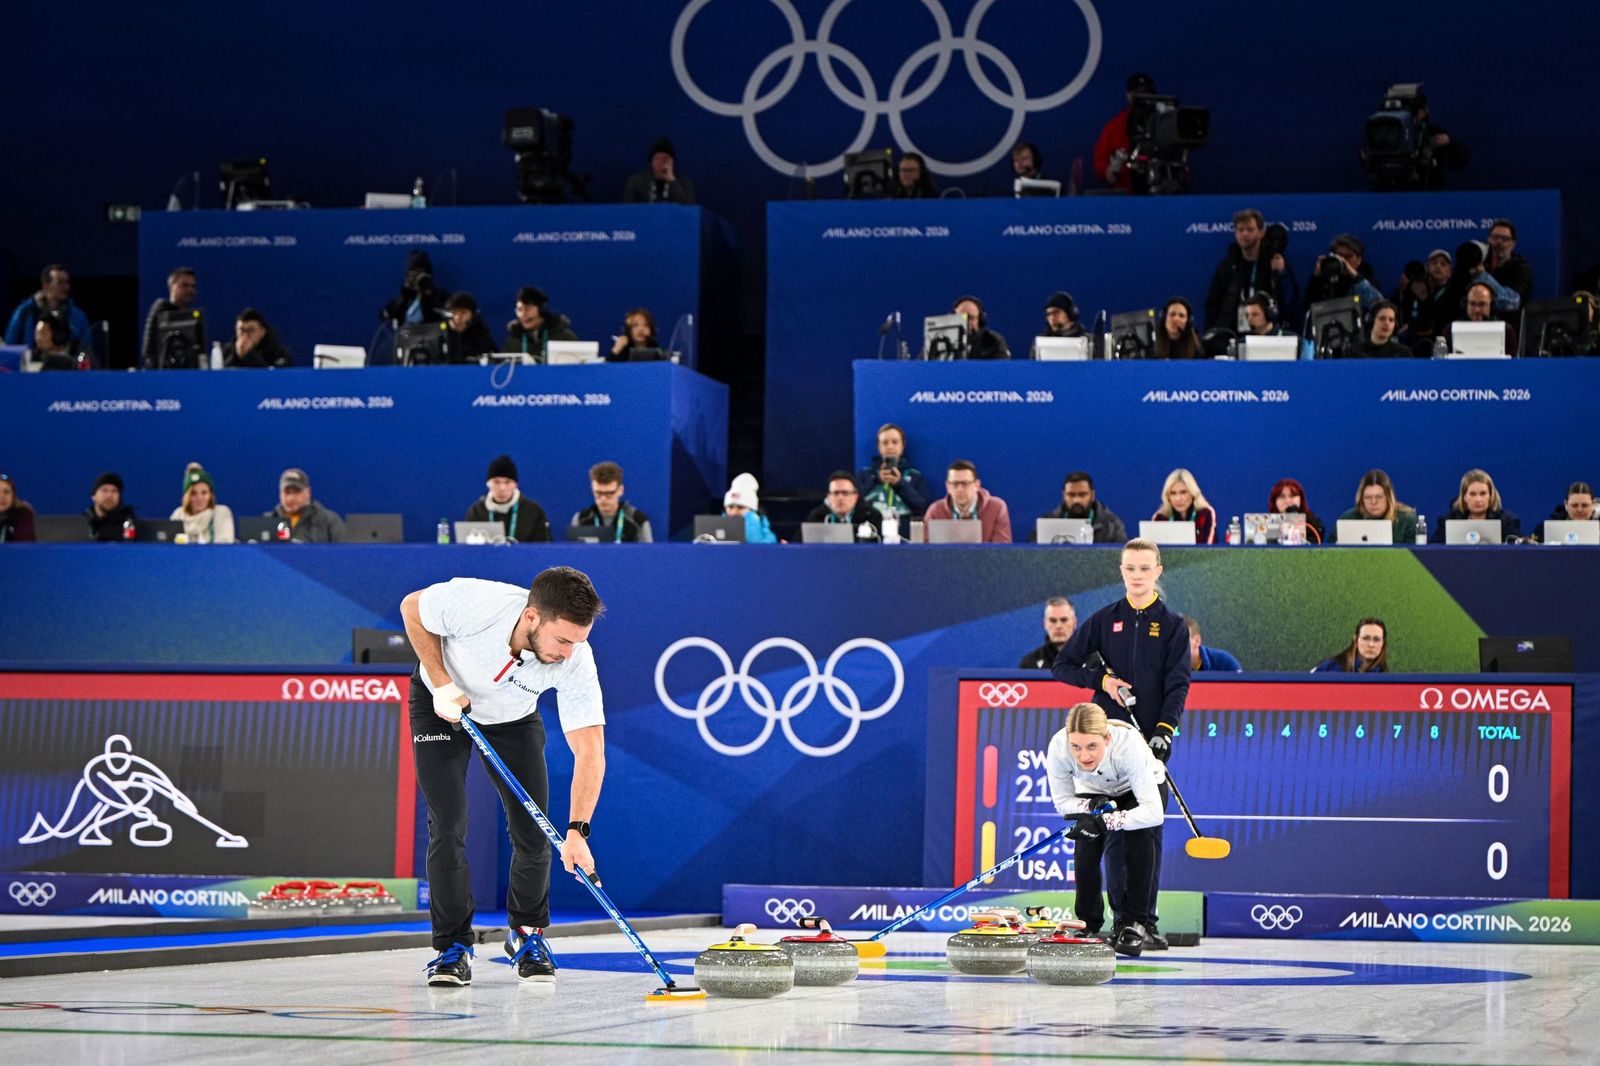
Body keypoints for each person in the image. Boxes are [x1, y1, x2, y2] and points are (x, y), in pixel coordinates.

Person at [399, 565, 607, 986]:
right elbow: (411, 608)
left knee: (535, 832)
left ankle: (528, 934)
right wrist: (440, 683)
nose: (568, 652)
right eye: (562, 639)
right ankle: (452, 946)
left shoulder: (575, 659)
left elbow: (590, 750)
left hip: (513, 720)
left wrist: (578, 831)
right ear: (532, 617)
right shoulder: (480, 604)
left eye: (577, 642)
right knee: (449, 823)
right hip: (442, 702)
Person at [1052, 538, 1190, 953]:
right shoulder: (1103, 619)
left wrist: (1164, 730)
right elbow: (1063, 667)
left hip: (1148, 742)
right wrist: (1102, 682)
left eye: (1145, 569)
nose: (1137, 576)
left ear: (1158, 571)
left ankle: (1143, 921)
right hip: (1106, 742)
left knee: (1146, 831)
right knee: (1106, 834)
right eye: (1130, 568)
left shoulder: (1172, 625)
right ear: (1122, 571)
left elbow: (1177, 683)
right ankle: (1109, 921)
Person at [1046, 703, 1166, 956]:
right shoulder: (1058, 747)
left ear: (1107, 738)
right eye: (1076, 747)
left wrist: (1109, 821)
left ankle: (1134, 922)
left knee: (1139, 839)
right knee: (1085, 846)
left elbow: (1153, 813)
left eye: (1092, 746)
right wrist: (1090, 806)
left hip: (1138, 791)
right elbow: (1062, 802)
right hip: (1096, 792)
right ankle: (1088, 924)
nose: (1083, 756)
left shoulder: (1129, 746)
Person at [1204, 209, 1299, 332]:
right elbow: (1213, 305)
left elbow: (1290, 303)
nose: (1244, 234)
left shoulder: (1275, 263)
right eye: (1240, 230)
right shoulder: (1227, 266)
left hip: (1268, 334)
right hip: (1233, 334)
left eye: (1250, 229)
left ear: (1261, 232)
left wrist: (1282, 273)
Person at [6, 263, 93, 357]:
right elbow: (10, 347)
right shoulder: (24, 312)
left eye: (67, 282)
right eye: (60, 282)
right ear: (45, 284)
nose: (66, 287)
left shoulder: (78, 316)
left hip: (67, 369)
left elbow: (85, 351)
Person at [466, 455, 552, 543]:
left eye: (507, 482)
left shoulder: (534, 512)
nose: (502, 488)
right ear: (488, 483)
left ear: (515, 484)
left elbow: (544, 547)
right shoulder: (476, 511)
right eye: (496, 482)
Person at [1093, 73, 1156, 192]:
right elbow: (1100, 160)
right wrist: (1107, 171)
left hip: (1159, 194)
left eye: (1146, 93)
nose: (1141, 97)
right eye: (1137, 93)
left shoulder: (1163, 124)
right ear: (1128, 95)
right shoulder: (1115, 126)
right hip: (1126, 195)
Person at [923, 459, 1012, 543]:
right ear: (948, 486)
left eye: (965, 483)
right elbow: (925, 550)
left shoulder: (997, 508)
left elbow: (1002, 551)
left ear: (977, 485)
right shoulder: (935, 511)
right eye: (955, 484)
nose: (960, 489)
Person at [856, 423, 931, 519]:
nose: (890, 446)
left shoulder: (915, 476)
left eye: (895, 442)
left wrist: (899, 484)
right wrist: (876, 480)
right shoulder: (865, 474)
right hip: (872, 527)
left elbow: (922, 507)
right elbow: (853, 502)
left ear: (902, 446)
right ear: (879, 446)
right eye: (885, 443)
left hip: (904, 529)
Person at [569, 461, 652, 542]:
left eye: (609, 494)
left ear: (621, 490)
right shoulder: (581, 519)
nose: (603, 499)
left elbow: (648, 554)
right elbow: (572, 554)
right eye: (598, 493)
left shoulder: (637, 520)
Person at [1430, 468, 1521, 542]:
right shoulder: (1448, 521)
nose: (1478, 499)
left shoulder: (1507, 522)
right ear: (1464, 496)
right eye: (1472, 494)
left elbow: (1516, 553)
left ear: (1490, 495)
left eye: (1483, 493)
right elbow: (1435, 550)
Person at [1036, 471, 1128, 544]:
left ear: (1092, 495)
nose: (1077, 500)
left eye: (1082, 494)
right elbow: (1032, 558)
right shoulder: (1046, 523)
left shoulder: (1112, 525)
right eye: (1071, 495)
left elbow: (1121, 560)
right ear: (1064, 495)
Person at [1332, 469, 1418, 543]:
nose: (1373, 502)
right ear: (1361, 499)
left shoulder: (1407, 520)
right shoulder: (1347, 520)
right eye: (1368, 497)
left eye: (1379, 497)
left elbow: (1416, 556)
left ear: (1389, 498)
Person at [141, 267, 204, 369]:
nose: (190, 290)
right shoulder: (160, 307)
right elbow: (148, 351)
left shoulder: (194, 317)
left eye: (193, 286)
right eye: (184, 285)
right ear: (171, 287)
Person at [1303, 234, 1383, 311]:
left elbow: (1379, 305)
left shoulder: (1367, 280)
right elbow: (1310, 307)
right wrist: (1317, 277)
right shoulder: (1326, 279)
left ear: (1359, 260)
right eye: (1339, 256)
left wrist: (1355, 277)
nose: (1343, 260)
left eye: (1348, 257)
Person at [265, 467, 345, 543]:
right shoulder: (267, 522)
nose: (291, 498)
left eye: (296, 492)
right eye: (287, 492)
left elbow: (343, 553)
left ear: (308, 492)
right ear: (280, 494)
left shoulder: (329, 521)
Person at [803, 472, 882, 542]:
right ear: (829, 497)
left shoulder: (872, 516)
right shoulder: (817, 517)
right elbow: (799, 545)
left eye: (845, 493)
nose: (840, 498)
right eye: (836, 493)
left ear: (855, 496)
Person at [504, 286, 579, 361]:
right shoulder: (513, 340)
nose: (523, 315)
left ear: (542, 310)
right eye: (519, 309)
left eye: (528, 309)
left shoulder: (564, 337)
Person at [1445, 281, 1519, 356]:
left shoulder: (1507, 331)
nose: (1477, 310)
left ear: (1492, 305)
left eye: (1482, 304)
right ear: (1465, 304)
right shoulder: (1450, 330)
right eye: (1472, 304)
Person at [169, 463, 235, 544]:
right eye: (193, 493)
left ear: (210, 495)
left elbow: (224, 547)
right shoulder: (178, 514)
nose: (199, 498)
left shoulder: (221, 513)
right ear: (187, 497)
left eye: (204, 493)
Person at [381, 250, 450, 326]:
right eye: (414, 274)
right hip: (406, 336)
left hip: (434, 336)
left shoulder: (442, 296)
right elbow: (385, 316)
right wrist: (405, 293)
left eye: (421, 273)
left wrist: (429, 293)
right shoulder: (403, 299)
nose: (418, 278)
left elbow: (447, 314)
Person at [622, 136, 695, 204]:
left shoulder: (684, 183)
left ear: (673, 163)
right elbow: (628, 210)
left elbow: (689, 210)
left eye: (666, 159)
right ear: (651, 162)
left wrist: (671, 180)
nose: (661, 163)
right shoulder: (636, 183)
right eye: (657, 159)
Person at [1151, 468, 1216, 543]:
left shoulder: (1206, 513)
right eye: (1173, 493)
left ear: (1193, 493)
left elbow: (1209, 550)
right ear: (1168, 496)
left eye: (1183, 492)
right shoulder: (1160, 517)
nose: (1178, 499)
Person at [222, 308, 292, 368]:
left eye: (251, 330)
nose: (245, 335)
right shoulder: (227, 351)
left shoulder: (277, 352)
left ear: (262, 332)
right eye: (241, 330)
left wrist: (249, 355)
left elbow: (274, 378)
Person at [1313, 617, 1388, 673]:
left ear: (1383, 643)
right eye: (1365, 638)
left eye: (1377, 639)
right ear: (1355, 640)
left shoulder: (1386, 678)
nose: (1371, 644)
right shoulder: (1330, 667)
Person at [1485, 219, 1533, 306]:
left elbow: (1514, 301)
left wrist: (1482, 276)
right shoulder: (1479, 263)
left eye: (1505, 239)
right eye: (1495, 237)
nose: (1499, 242)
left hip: (1509, 318)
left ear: (1513, 244)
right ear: (1489, 240)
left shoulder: (1521, 269)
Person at [1019, 597, 1075, 669]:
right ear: (1045, 624)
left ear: (1074, 622)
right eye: (1053, 621)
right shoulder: (1029, 663)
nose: (1058, 626)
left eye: (1064, 620)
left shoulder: (1091, 660)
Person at [722, 472, 778, 543]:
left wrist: (751, 520)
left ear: (751, 510)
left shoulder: (754, 519)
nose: (734, 512)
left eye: (740, 507)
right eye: (730, 507)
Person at [1267, 477, 1325, 543]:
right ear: (1274, 501)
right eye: (1282, 497)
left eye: (1292, 496)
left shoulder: (1313, 524)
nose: (1288, 501)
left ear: (1301, 499)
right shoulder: (1268, 524)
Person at [1347, 299, 1412, 358]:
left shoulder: (1403, 354)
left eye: (1391, 320)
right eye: (1382, 318)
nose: (1387, 323)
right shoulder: (1354, 352)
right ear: (1371, 321)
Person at [84, 471, 136, 541]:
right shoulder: (83, 522)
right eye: (104, 490)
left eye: (114, 491)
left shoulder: (129, 523)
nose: (109, 495)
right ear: (93, 496)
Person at [445, 293, 496, 364]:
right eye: (454, 313)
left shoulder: (481, 335)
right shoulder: (442, 335)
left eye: (463, 313)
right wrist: (454, 334)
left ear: (473, 315)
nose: (458, 317)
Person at [0, 474, 36, 542]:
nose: (2, 497)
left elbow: (24, 547)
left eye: (6, 492)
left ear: (13, 496)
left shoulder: (22, 514)